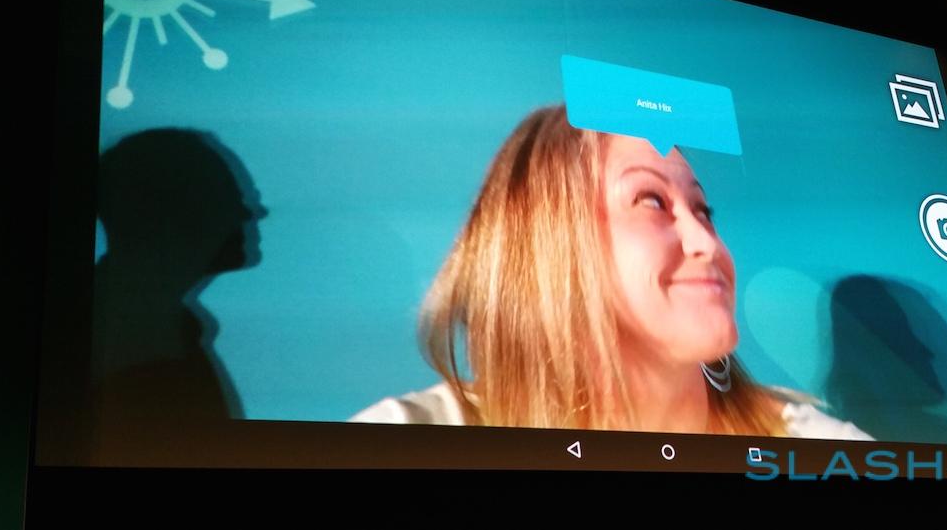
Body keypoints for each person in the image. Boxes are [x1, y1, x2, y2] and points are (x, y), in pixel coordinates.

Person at [352, 105, 869, 438]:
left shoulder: (814, 444)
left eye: (703, 210)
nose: (706, 243)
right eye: (651, 202)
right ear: (547, 241)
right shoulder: (411, 435)